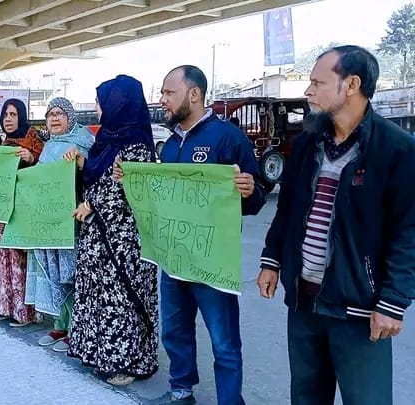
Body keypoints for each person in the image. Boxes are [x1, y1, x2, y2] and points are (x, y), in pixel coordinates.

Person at [257, 45, 415, 405]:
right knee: (306, 397)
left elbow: (409, 232)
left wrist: (393, 301)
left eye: (318, 83)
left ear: (351, 85)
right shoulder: (308, 144)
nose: (308, 91)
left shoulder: (397, 150)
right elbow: (287, 209)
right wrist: (271, 259)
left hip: (359, 311)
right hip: (304, 304)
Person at [135, 65, 265, 405]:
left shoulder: (227, 138)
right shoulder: (169, 146)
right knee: (174, 330)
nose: (162, 100)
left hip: (212, 262)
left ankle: (230, 401)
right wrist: (132, 180)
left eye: (169, 92)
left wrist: (249, 190)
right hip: (173, 257)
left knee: (224, 341)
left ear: (194, 94)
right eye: (162, 93)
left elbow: (257, 198)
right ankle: (181, 390)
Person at [65, 75, 159, 386]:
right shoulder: (107, 139)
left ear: (119, 104)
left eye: (101, 102)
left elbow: (129, 189)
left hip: (123, 240)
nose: (98, 108)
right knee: (97, 295)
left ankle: (125, 362)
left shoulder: (136, 143)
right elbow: (100, 174)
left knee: (120, 298)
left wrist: (91, 203)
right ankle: (98, 354)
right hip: (98, 235)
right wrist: (82, 163)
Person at [25, 97, 94, 353]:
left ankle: (75, 328)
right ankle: (59, 325)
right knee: (53, 270)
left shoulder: (83, 142)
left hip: (71, 219)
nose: (54, 118)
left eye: (59, 113)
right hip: (48, 221)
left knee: (70, 272)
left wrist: (79, 161)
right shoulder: (49, 145)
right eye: (50, 114)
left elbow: (94, 175)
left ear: (70, 117)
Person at [0, 98, 45, 326]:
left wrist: (32, 158)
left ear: (22, 116)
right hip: (3, 211)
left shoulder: (34, 140)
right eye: (5, 115)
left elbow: (46, 170)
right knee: (2, 258)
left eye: (13, 114)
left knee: (19, 259)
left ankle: (24, 312)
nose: (8, 119)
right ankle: (3, 306)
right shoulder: (5, 142)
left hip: (23, 211)